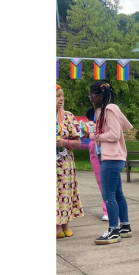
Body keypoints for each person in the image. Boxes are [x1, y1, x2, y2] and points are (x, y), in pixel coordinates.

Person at [89, 81, 134, 244]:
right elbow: (124, 126)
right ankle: (125, 227)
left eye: (92, 96)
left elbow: (114, 134)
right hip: (110, 157)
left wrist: (96, 136)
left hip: (112, 158)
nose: (90, 99)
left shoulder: (109, 109)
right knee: (117, 194)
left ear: (100, 96)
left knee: (108, 195)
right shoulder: (106, 110)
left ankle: (113, 230)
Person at [56, 84, 84, 238]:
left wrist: (65, 143)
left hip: (65, 164)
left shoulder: (68, 116)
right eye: (57, 96)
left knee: (65, 193)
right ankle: (57, 226)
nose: (61, 99)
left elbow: (78, 142)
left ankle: (66, 224)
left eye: (62, 96)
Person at [85, 107, 108, 221]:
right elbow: (88, 135)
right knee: (100, 180)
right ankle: (107, 210)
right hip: (94, 148)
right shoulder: (91, 112)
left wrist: (97, 129)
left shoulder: (109, 111)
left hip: (106, 148)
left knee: (109, 181)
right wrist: (86, 131)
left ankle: (111, 208)